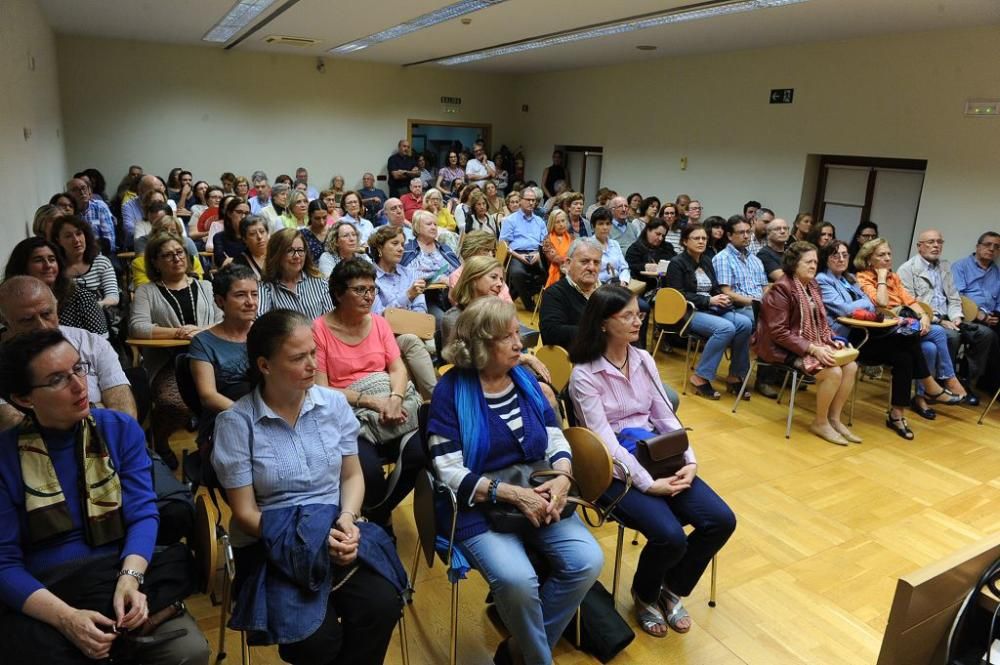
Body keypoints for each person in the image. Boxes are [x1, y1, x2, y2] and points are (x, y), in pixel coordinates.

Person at [0, 329, 209, 665]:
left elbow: (142, 513)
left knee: (190, 650)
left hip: (117, 570)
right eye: (56, 379)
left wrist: (131, 579)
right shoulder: (6, 456)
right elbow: (4, 562)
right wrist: (67, 619)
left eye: (79, 368)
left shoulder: (118, 428)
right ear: (24, 398)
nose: (79, 385)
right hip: (50, 589)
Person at [211, 309, 403, 665]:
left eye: (314, 352)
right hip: (273, 543)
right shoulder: (237, 424)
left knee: (382, 604)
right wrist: (312, 541)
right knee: (314, 640)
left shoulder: (333, 405)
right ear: (265, 365)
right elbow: (246, 514)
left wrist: (348, 520)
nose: (313, 364)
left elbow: (351, 476)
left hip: (334, 527)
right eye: (298, 358)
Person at [427, 297, 603, 665]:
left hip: (538, 488)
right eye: (507, 337)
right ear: (479, 346)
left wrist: (563, 476)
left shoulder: (523, 378)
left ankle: (516, 652)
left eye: (516, 334)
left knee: (587, 560)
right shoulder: (450, 391)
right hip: (480, 505)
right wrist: (510, 494)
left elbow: (554, 433)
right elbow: (447, 469)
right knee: (518, 581)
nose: (519, 343)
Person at [568, 286, 735, 637]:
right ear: (602, 323)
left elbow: (666, 417)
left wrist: (689, 460)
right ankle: (644, 595)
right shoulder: (584, 374)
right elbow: (605, 443)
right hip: (614, 471)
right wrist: (647, 483)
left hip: (658, 455)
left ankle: (671, 589)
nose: (637, 321)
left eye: (638, 314)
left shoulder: (643, 359)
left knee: (721, 520)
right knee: (671, 537)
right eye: (627, 316)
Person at [313, 259, 426, 529]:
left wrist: (395, 399)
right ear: (339, 293)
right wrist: (371, 402)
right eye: (360, 290)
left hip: (390, 405)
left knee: (425, 452)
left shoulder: (378, 323)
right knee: (369, 474)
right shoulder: (319, 329)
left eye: (372, 289)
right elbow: (320, 388)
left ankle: (376, 514)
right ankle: (378, 518)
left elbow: (397, 368)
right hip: (351, 412)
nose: (369, 296)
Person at [817, 241, 953, 438]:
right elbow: (851, 309)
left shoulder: (849, 278)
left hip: (866, 333)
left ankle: (897, 413)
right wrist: (864, 303)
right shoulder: (823, 280)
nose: (841, 259)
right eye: (835, 255)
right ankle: (929, 385)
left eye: (845, 255)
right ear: (825, 259)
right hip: (845, 340)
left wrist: (864, 305)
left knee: (904, 355)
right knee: (908, 339)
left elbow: (872, 307)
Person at [753, 241, 861, 445]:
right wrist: (812, 348)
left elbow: (822, 322)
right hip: (780, 348)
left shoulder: (813, 286)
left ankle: (834, 419)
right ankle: (820, 422)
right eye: (808, 262)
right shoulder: (781, 289)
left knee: (851, 366)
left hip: (810, 343)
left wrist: (832, 340)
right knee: (833, 372)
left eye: (815, 262)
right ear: (794, 263)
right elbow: (779, 332)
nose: (813, 266)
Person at [129, 232, 222, 466]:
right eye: (167, 255)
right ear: (155, 262)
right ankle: (160, 440)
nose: (176, 258)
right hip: (167, 362)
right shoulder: (146, 291)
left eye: (179, 252)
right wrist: (179, 332)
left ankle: (213, 445)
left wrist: (199, 331)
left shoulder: (206, 286)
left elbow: (223, 320)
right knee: (174, 403)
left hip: (210, 358)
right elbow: (137, 327)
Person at [0, 276, 135, 431]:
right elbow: (14, 426)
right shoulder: (4, 363)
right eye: (27, 320)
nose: (42, 326)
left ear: (57, 308)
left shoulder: (91, 343)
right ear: (6, 322)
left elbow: (125, 415)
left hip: (112, 445)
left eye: (46, 314)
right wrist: (97, 407)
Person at [854, 237, 970, 406]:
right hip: (884, 328)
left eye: (889, 254)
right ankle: (945, 382)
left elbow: (909, 300)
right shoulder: (863, 277)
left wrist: (923, 315)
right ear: (869, 259)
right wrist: (880, 277)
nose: (887, 258)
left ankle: (922, 397)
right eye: (881, 255)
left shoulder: (893, 277)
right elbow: (881, 303)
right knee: (937, 332)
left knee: (929, 348)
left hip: (903, 324)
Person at [897, 229, 995, 403]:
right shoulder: (907, 269)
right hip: (928, 320)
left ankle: (968, 383)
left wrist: (956, 316)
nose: (936, 246)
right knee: (952, 336)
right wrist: (940, 321)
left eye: (939, 242)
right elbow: (911, 305)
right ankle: (944, 383)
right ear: (919, 247)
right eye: (931, 242)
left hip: (949, 317)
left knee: (986, 334)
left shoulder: (945, 266)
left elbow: (954, 297)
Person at [666, 225, 752, 399]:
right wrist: (708, 300)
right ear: (685, 241)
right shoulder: (677, 263)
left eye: (704, 238)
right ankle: (700, 376)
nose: (701, 242)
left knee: (745, 323)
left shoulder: (706, 260)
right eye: (696, 238)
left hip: (711, 308)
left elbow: (713, 287)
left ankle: (735, 374)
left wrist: (720, 297)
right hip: (688, 311)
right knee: (726, 328)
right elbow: (678, 294)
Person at [188, 265, 257, 447]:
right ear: (220, 301)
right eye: (241, 295)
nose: (250, 302)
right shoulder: (203, 342)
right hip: (226, 423)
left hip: (267, 415)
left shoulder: (266, 333)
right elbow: (208, 395)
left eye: (254, 294)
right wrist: (252, 418)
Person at [369, 226, 437, 397]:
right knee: (413, 341)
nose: (401, 248)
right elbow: (378, 316)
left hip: (413, 332)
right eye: (395, 243)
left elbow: (421, 309)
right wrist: (408, 295)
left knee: (415, 339)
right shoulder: (369, 277)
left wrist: (403, 316)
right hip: (382, 336)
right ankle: (436, 397)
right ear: (379, 248)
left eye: (402, 243)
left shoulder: (411, 273)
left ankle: (427, 400)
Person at [4, 237, 108, 337]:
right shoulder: (7, 301)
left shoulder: (81, 298)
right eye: (38, 260)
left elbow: (101, 343)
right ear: (22, 265)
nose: (48, 265)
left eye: (52, 259)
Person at [539, 238, 602, 349]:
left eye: (596, 262)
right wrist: (599, 331)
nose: (592, 267)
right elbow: (551, 333)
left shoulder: (606, 292)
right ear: (568, 263)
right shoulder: (554, 294)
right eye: (585, 261)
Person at [258, 228, 332, 320]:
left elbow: (331, 320)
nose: (297, 256)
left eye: (300, 250)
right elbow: (260, 324)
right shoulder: (266, 288)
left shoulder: (320, 282)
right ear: (276, 255)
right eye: (290, 251)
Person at [400, 211, 461, 321]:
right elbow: (407, 274)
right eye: (429, 224)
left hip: (452, 294)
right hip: (426, 298)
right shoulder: (408, 249)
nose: (433, 227)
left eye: (435, 224)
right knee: (445, 321)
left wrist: (452, 279)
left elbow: (459, 270)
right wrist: (439, 278)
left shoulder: (444, 248)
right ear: (417, 228)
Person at [52, 216, 119, 312]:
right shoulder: (55, 267)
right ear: (58, 240)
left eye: (79, 234)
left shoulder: (101, 262)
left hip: (100, 314)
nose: (76, 240)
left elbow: (113, 296)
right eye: (68, 236)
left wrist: (92, 307)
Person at [711, 216, 768, 324]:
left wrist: (765, 302)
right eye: (741, 232)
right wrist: (756, 303)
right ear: (729, 235)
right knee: (769, 322)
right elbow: (726, 292)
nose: (746, 236)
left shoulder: (755, 260)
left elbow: (765, 287)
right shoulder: (723, 258)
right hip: (738, 308)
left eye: (748, 232)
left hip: (760, 305)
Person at [500, 188, 548, 310]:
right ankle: (529, 304)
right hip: (516, 254)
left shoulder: (540, 221)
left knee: (547, 273)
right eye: (528, 200)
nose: (531, 203)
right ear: (521, 201)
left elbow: (545, 243)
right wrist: (519, 256)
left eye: (534, 200)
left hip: (537, 253)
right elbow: (503, 244)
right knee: (517, 274)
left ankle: (513, 293)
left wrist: (538, 254)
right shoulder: (510, 220)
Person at [953, 231, 1000, 329]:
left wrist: (996, 315)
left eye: (996, 247)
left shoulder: (997, 272)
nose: (992, 249)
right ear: (977, 246)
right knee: (987, 334)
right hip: (968, 316)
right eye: (987, 244)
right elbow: (956, 297)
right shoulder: (961, 266)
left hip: (992, 317)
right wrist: (979, 314)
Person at [66, 177, 117, 252]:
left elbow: (109, 241)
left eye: (84, 188)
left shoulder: (99, 206)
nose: (81, 192)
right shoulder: (68, 211)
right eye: (75, 189)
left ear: (89, 190)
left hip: (102, 253)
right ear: (68, 195)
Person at [625, 218, 674, 295]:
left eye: (663, 236)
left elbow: (676, 261)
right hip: (643, 287)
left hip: (667, 285)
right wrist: (644, 266)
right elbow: (629, 266)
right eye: (657, 234)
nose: (660, 238)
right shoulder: (635, 248)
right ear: (648, 230)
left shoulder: (668, 247)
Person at [591, 208, 631, 287]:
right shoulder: (588, 245)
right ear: (593, 226)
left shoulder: (615, 244)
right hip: (598, 287)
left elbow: (624, 268)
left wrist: (624, 280)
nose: (605, 227)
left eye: (608, 223)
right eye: (601, 224)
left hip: (618, 285)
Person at [210, 197, 249, 268]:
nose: (243, 216)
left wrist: (231, 260)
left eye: (246, 213)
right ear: (229, 214)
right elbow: (220, 261)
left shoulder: (251, 236)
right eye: (239, 212)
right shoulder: (219, 237)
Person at [541, 208, 573, 288]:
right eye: (557, 222)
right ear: (552, 224)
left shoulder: (572, 238)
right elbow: (556, 258)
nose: (561, 224)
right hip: (558, 272)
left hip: (571, 270)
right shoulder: (547, 240)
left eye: (563, 221)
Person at [233, 214, 269, 280]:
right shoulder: (239, 262)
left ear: (268, 234)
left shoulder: (278, 255)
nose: (259, 237)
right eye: (252, 234)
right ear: (244, 239)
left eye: (262, 232)